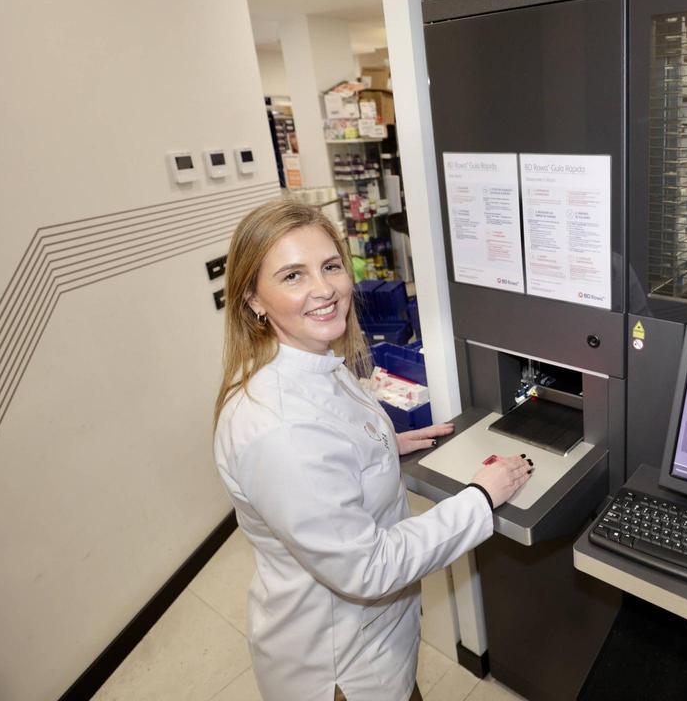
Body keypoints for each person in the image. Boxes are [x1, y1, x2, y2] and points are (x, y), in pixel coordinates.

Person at [213, 198, 531, 700]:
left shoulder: (308, 358)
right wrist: (480, 498)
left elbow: (327, 449)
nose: (324, 290)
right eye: (293, 276)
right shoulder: (278, 429)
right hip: (347, 673)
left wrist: (381, 444)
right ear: (253, 299)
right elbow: (368, 567)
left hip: (378, 643)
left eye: (330, 266)